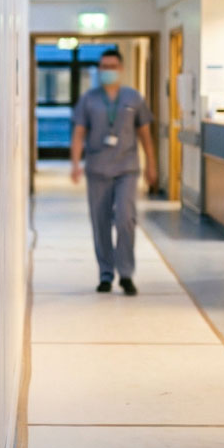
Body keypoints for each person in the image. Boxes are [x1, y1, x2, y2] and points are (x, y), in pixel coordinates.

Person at [70, 48, 157, 295]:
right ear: (99, 69)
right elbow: (78, 133)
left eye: (112, 66)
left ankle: (126, 273)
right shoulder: (89, 99)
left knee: (125, 219)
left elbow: (145, 134)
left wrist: (152, 164)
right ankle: (106, 274)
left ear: (121, 69)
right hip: (97, 169)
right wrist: (76, 163)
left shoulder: (134, 98)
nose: (108, 71)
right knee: (100, 223)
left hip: (126, 168)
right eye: (104, 67)